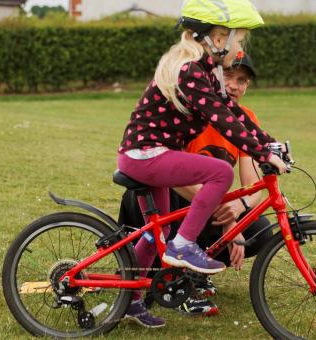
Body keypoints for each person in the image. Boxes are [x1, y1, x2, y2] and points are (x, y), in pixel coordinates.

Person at [117, 0, 287, 328]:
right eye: (238, 40)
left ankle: (130, 301)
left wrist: (267, 144)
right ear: (217, 38)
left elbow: (234, 112)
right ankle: (184, 247)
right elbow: (221, 118)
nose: (239, 48)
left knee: (157, 233)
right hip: (146, 154)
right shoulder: (190, 70)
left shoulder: (204, 71)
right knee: (220, 172)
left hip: (147, 154)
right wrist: (263, 153)